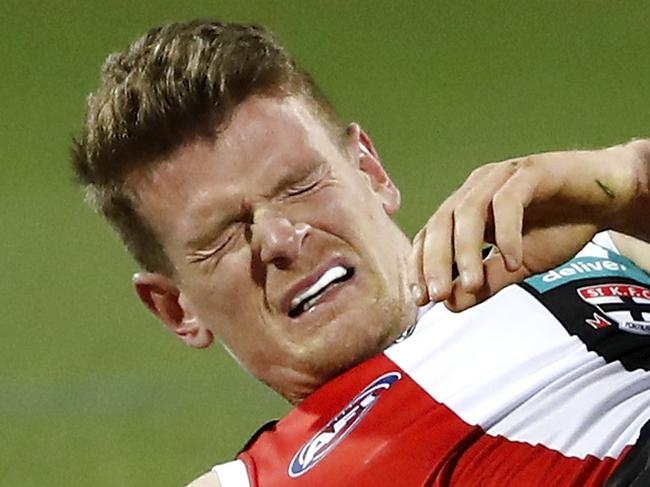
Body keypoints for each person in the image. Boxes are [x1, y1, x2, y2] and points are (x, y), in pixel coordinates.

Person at [72, 20, 650, 487]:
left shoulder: (599, 250)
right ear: (176, 309)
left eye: (299, 186)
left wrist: (629, 180)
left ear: (370, 171)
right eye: (223, 236)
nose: (278, 240)